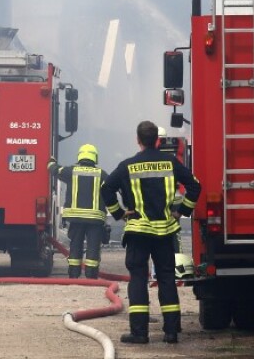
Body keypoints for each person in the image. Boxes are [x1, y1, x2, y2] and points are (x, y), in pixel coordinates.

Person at [101, 120, 202, 345]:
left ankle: (139, 333)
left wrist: (120, 214)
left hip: (138, 233)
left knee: (138, 279)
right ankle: (171, 332)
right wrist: (181, 211)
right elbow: (195, 186)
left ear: (138, 140)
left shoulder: (127, 165)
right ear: (157, 140)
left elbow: (106, 189)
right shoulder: (170, 163)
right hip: (165, 233)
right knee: (166, 278)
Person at [48, 143, 109, 279]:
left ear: (80, 156)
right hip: (95, 220)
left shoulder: (71, 171)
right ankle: (91, 276)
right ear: (95, 158)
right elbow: (113, 189)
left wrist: (51, 160)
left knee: (75, 246)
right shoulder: (101, 174)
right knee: (93, 248)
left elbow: (54, 170)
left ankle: (74, 275)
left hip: (76, 219)